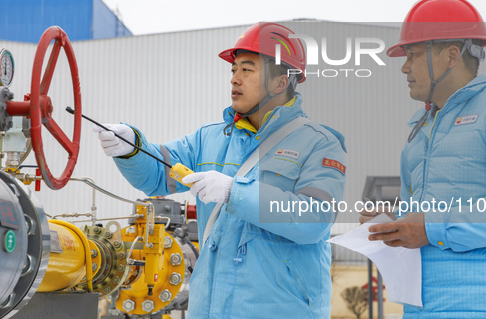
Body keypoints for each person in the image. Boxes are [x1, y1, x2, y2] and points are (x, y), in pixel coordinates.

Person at [94, 22, 346, 318]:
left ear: (281, 82)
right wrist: (132, 147)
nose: (234, 79)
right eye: (233, 70)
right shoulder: (209, 139)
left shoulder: (320, 143)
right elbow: (157, 174)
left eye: (247, 70)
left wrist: (234, 192)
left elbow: (314, 220)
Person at [359, 0, 486, 317]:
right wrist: (394, 223)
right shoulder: (419, 128)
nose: (404, 67)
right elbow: (425, 216)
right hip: (424, 308)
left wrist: (433, 226)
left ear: (450, 56)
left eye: (411, 55)